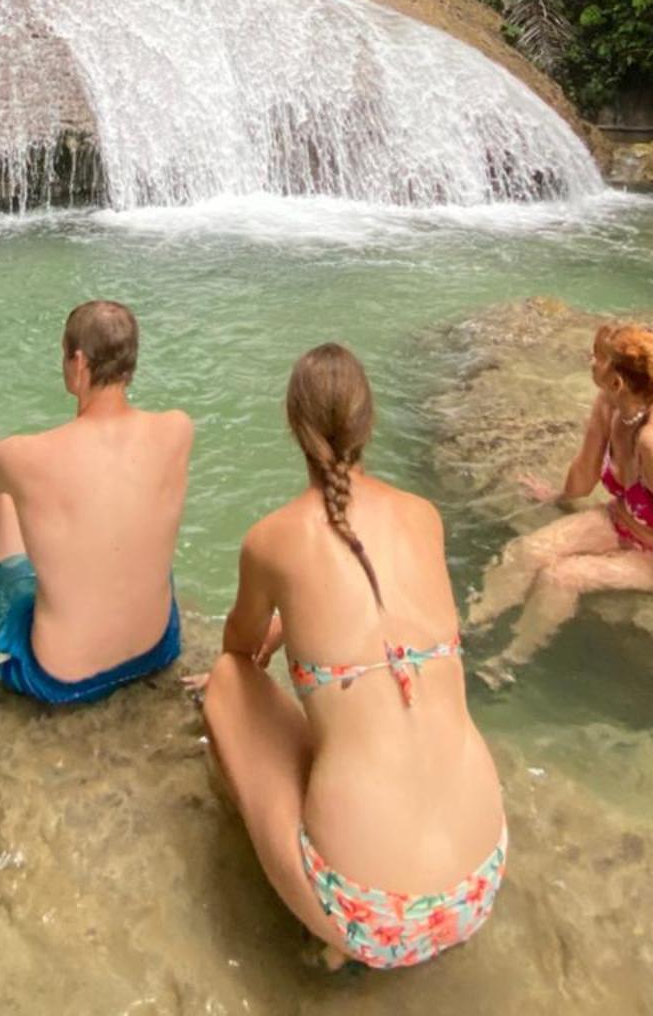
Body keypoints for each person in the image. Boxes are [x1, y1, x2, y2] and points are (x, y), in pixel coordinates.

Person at [196, 343, 506, 972]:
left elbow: (239, 651)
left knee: (226, 682)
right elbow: (381, 618)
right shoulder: (425, 517)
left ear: (294, 427)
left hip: (370, 917)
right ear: (369, 423)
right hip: (478, 885)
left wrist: (286, 625)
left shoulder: (272, 540)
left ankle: (322, 927)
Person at [468, 324, 653, 681]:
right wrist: (558, 496)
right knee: (529, 550)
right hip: (621, 521)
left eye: (598, 358)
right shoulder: (609, 405)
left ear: (617, 382)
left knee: (562, 576)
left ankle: (508, 663)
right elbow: (585, 472)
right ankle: (469, 628)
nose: (589, 360)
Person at [0, 299, 192, 704]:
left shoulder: (30, 455)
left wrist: (8, 454)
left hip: (60, 679)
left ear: (78, 362)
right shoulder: (177, 429)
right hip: (159, 648)